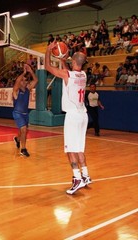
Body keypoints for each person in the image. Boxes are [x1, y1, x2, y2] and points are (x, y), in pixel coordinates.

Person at [45, 41, 91, 195]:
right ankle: (85, 175)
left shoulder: (67, 75)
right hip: (83, 115)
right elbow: (69, 72)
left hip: (72, 116)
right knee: (79, 147)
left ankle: (77, 179)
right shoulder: (83, 75)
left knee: (70, 149)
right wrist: (63, 60)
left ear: (73, 61)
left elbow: (47, 67)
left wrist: (48, 51)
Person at [12, 64, 38, 157]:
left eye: (25, 80)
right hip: (17, 113)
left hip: (25, 114)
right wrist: (24, 73)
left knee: (22, 131)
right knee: (23, 129)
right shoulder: (16, 90)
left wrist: (31, 71)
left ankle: (17, 140)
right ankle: (23, 149)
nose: (23, 81)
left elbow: (36, 80)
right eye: (22, 80)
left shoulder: (28, 89)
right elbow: (17, 81)